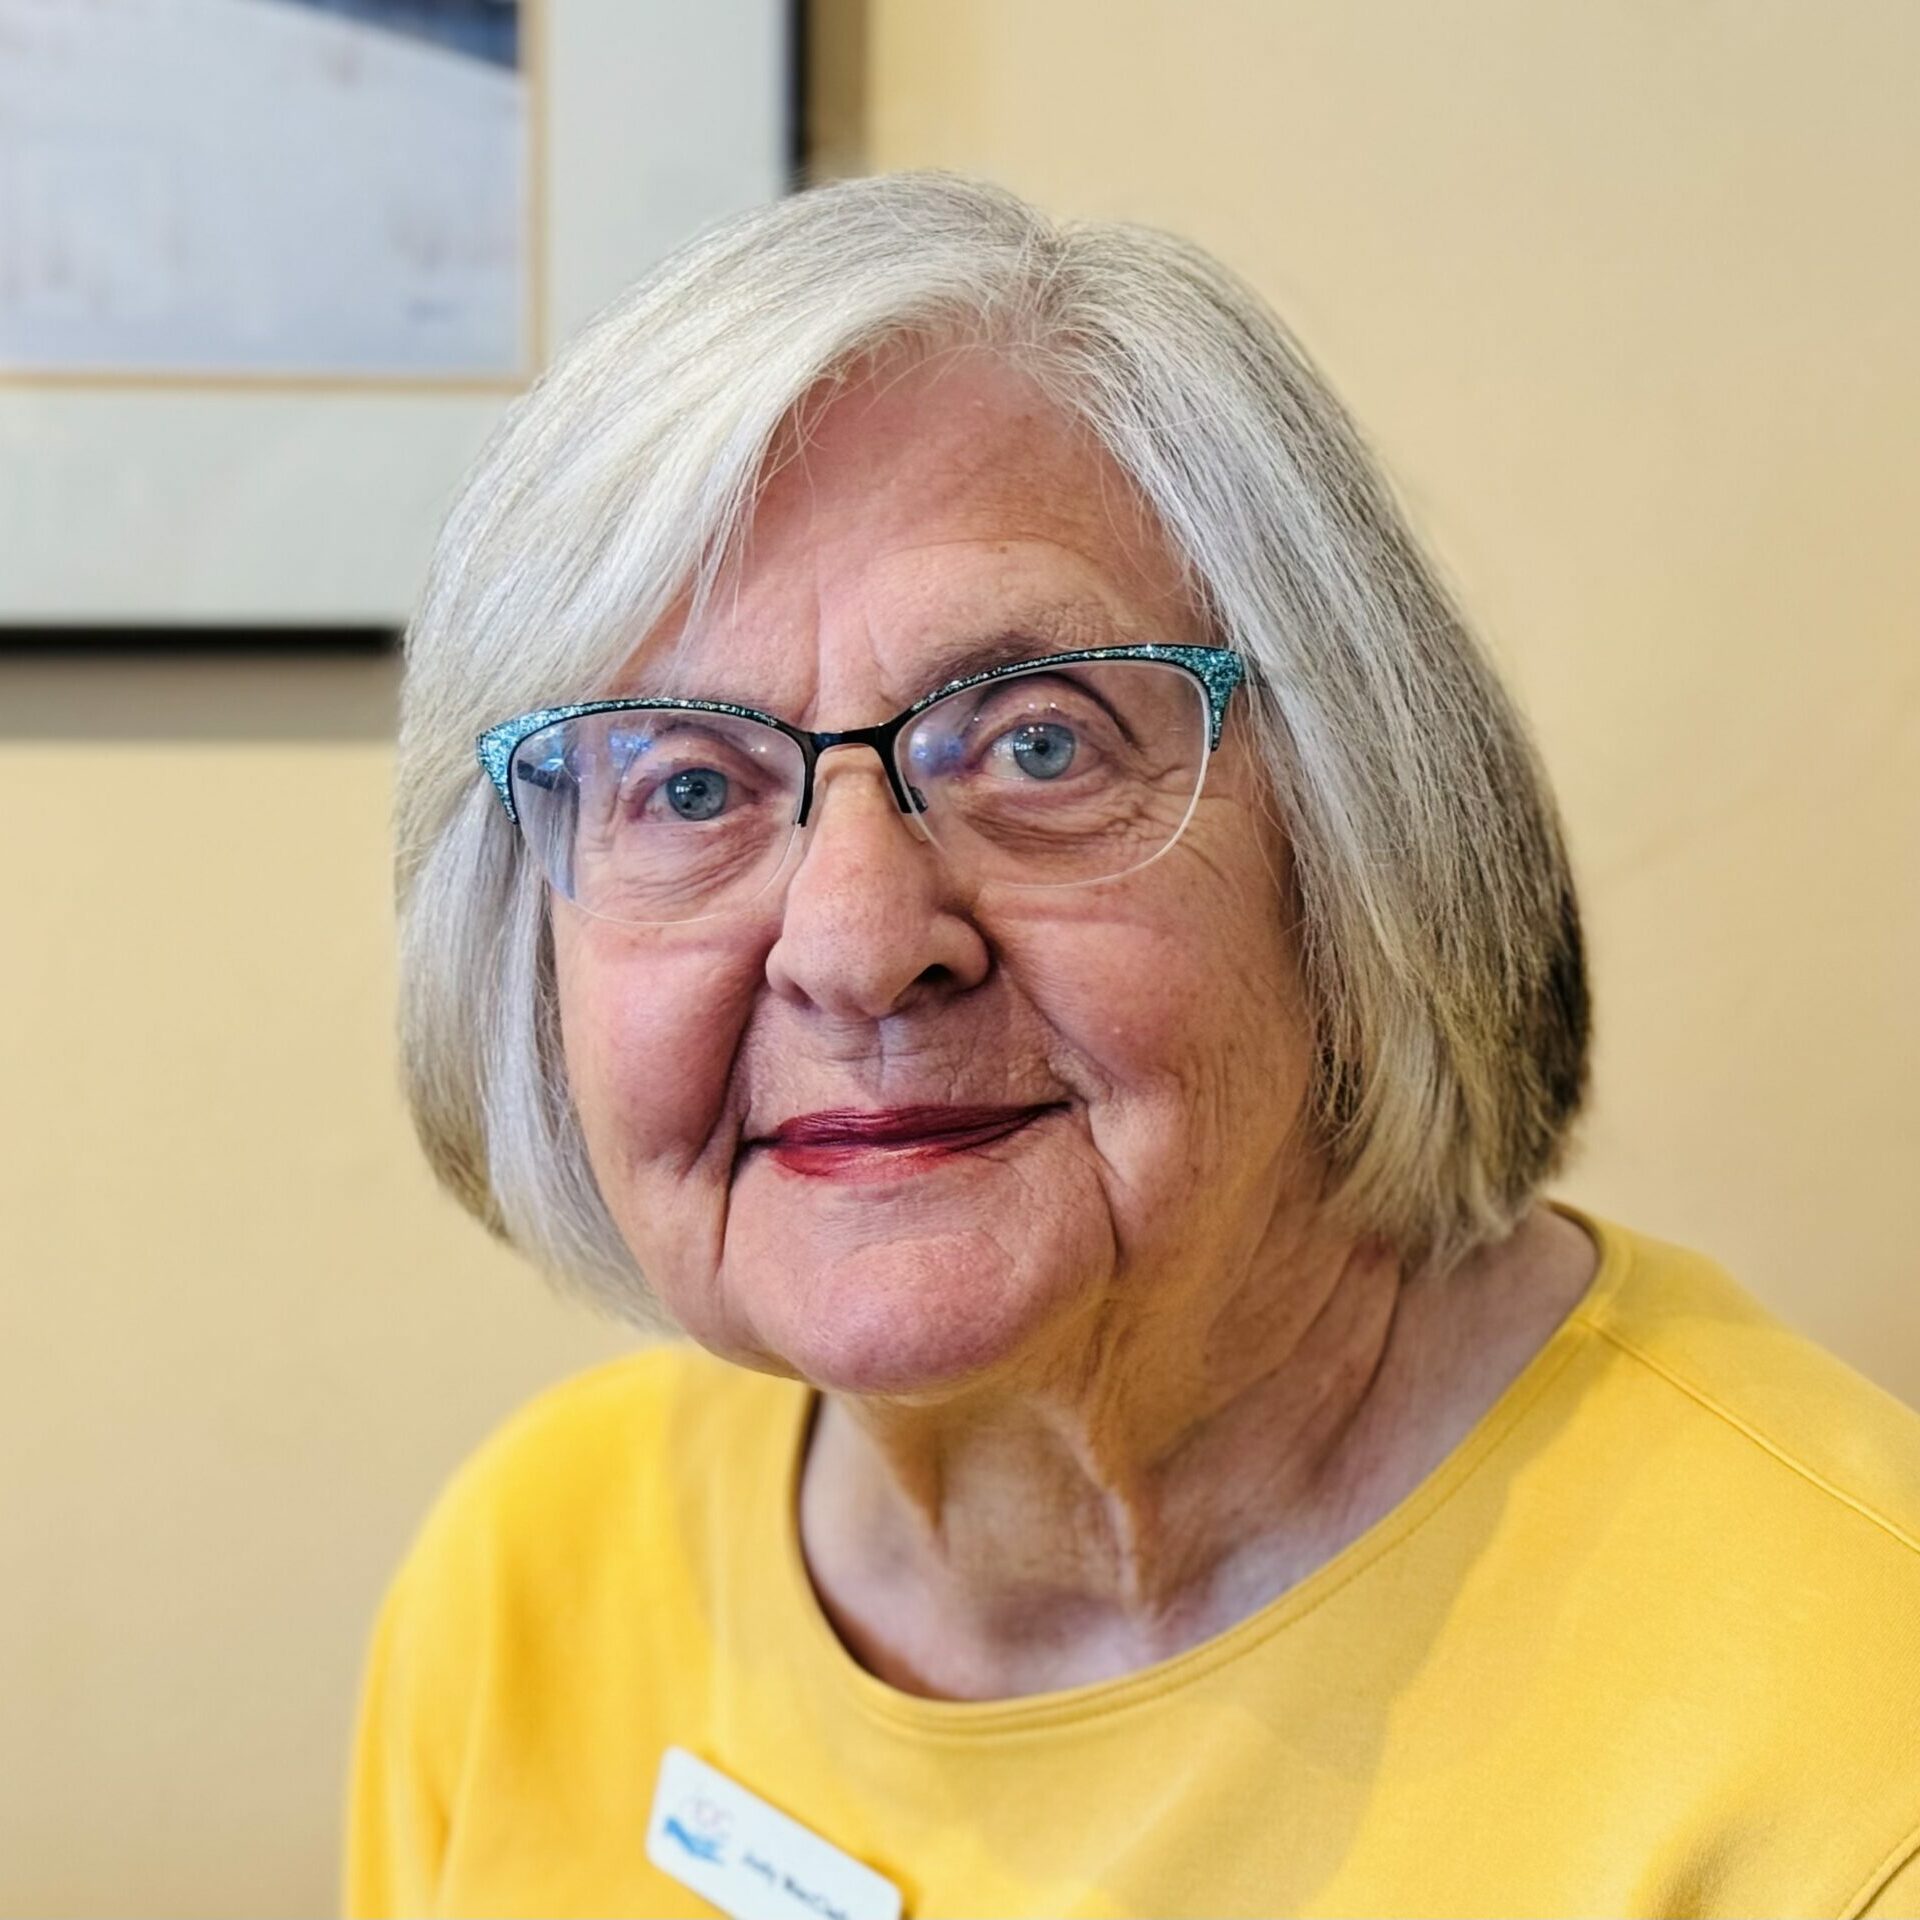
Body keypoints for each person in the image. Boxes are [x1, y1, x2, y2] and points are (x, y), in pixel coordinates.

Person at [344, 172, 1920, 1917]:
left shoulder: (1849, 1735)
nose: (860, 945)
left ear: (1352, 835)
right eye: (690, 786)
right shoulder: (529, 1585)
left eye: (1036, 747)